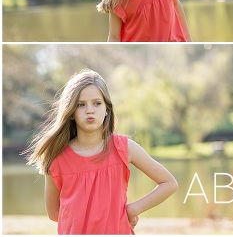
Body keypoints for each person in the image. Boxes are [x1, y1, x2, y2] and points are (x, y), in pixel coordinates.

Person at [25, 69, 178, 234]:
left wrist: (133, 209)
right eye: (80, 104)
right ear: (70, 112)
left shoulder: (124, 148)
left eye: (97, 103)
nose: (89, 110)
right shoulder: (56, 156)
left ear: (107, 109)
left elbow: (169, 183)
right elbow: (54, 213)